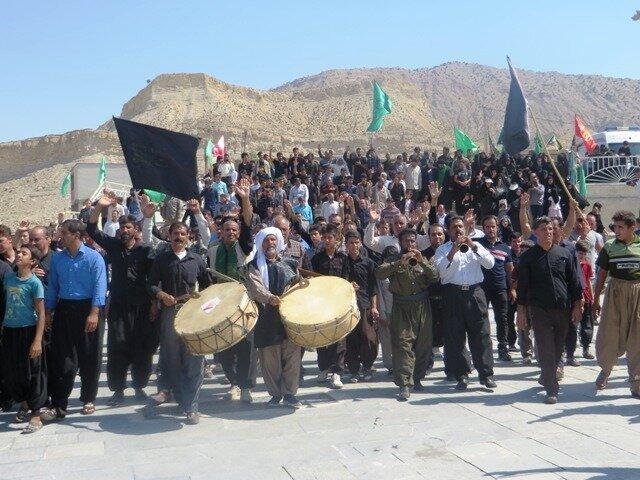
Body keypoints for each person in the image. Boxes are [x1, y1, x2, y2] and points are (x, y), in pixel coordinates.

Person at [87, 192, 158, 405]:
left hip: (142, 307)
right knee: (117, 346)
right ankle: (118, 390)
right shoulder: (114, 246)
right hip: (118, 306)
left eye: (129, 228)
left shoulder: (146, 250)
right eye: (122, 228)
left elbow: (153, 278)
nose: (125, 230)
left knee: (142, 348)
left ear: (136, 231)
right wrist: (99, 207)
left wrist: (154, 303)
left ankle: (139, 387)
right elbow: (92, 230)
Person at [146, 221, 213, 424]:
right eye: (175, 233)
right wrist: (161, 294)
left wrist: (202, 302)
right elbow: (150, 284)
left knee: (194, 358)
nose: (179, 237)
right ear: (169, 236)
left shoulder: (197, 259)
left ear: (188, 236)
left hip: (192, 315)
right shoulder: (162, 259)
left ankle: (191, 406)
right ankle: (176, 396)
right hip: (170, 314)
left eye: (182, 234)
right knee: (172, 358)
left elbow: (209, 288)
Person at [41, 219, 107, 421]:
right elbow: (53, 287)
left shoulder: (93, 257)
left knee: (89, 355)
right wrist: (49, 311)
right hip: (65, 309)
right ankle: (59, 404)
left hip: (88, 308)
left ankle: (88, 398)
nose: (60, 235)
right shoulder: (58, 259)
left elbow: (99, 286)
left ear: (76, 236)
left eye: (64, 232)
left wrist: (94, 313)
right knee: (63, 358)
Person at [517, 216, 583, 404]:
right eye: (544, 229)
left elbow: (574, 282)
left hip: (563, 309)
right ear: (536, 232)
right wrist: (521, 312)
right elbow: (522, 287)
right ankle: (552, 388)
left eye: (550, 229)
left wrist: (578, 305)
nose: (548, 232)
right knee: (545, 347)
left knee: (558, 346)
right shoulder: (528, 257)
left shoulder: (564, 254)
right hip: (540, 310)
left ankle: (547, 374)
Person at [434, 215, 497, 391]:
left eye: (460, 226)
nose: (458, 230)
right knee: (456, 337)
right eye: (454, 227)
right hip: (453, 294)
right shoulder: (442, 250)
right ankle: (462, 375)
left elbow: (490, 264)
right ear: (448, 230)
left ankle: (486, 374)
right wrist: (453, 251)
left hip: (474, 293)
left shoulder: (475, 245)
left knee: (482, 335)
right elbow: (442, 273)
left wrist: (473, 246)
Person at [375, 229, 439, 400]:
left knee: (422, 345)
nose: (410, 244)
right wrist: (398, 264)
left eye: (412, 241)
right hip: (402, 306)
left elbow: (435, 276)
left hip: (421, 306)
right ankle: (404, 383)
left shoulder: (421, 258)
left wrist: (422, 262)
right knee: (403, 345)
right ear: (401, 242)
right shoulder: (394, 258)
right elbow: (379, 273)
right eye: (406, 241)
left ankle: (417, 378)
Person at [245, 227, 303, 408]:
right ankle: (276, 394)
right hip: (266, 317)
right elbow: (256, 288)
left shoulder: (290, 263)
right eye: (266, 240)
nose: (270, 243)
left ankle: (290, 394)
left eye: (273, 240)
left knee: (292, 357)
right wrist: (270, 298)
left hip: (289, 317)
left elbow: (297, 285)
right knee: (270, 360)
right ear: (261, 244)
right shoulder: (254, 265)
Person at [593, 211, 640, 397]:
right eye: (615, 227)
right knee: (609, 332)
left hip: (637, 292)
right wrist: (596, 299)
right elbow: (602, 275)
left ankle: (636, 380)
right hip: (615, 292)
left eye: (621, 227)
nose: (617, 230)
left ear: (632, 227)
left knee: (637, 335)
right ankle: (605, 370)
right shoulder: (610, 247)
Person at [0, 245, 47, 433]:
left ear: (33, 262)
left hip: (28, 331)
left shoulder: (35, 283)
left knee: (33, 372)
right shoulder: (9, 278)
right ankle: (24, 402)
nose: (19, 254)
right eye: (18, 252)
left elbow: (41, 313)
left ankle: (36, 413)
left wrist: (37, 340)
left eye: (24, 253)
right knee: (12, 371)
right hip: (10, 331)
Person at [311, 224, 348, 389]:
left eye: (330, 238)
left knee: (339, 338)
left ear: (337, 239)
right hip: (321, 304)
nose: (327, 241)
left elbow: (347, 279)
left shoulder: (343, 258)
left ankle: (337, 372)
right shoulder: (316, 259)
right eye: (324, 238)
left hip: (339, 303)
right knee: (322, 338)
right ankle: (324, 368)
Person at [478, 216, 515, 361]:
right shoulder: (478, 244)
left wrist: (512, 289)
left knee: (502, 319)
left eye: (493, 226)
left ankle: (503, 348)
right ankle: (483, 348)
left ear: (497, 227)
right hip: (482, 289)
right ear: (484, 228)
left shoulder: (505, 247)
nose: (490, 229)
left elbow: (510, 270)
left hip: (500, 288)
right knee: (481, 320)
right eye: (487, 227)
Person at [344, 231, 379, 382]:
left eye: (357, 242)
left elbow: (374, 287)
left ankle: (368, 366)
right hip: (348, 306)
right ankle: (353, 370)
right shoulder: (343, 262)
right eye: (351, 242)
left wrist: (374, 307)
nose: (354, 245)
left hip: (365, 304)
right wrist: (347, 285)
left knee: (368, 337)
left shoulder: (368, 262)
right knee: (352, 338)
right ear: (346, 245)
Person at [571, 240, 595, 360]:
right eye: (580, 253)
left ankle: (586, 348)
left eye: (584, 254)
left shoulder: (587, 265)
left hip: (586, 297)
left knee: (587, 323)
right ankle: (570, 349)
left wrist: (592, 296)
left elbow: (588, 281)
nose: (582, 256)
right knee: (573, 324)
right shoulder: (571, 264)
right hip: (575, 298)